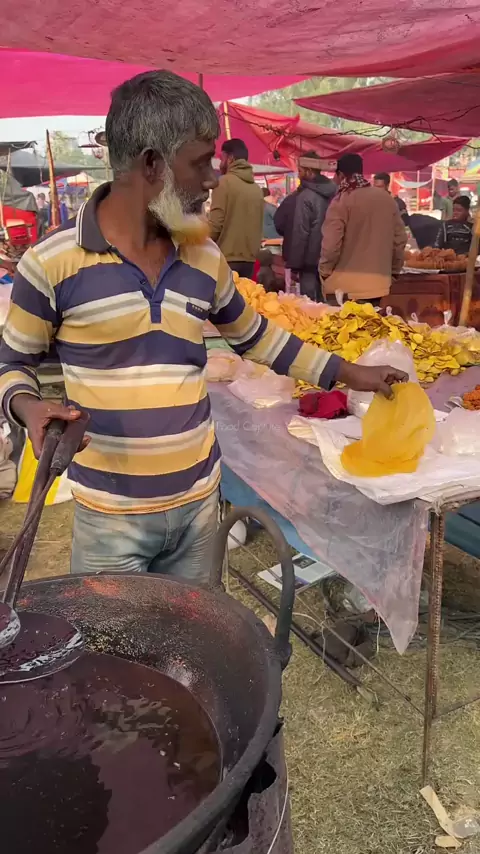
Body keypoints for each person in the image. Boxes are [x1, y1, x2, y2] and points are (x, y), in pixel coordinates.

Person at [0, 70, 407, 583]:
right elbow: (12, 364)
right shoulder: (51, 263)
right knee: (116, 637)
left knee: (195, 635)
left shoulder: (203, 256)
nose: (213, 179)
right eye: (200, 163)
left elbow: (259, 338)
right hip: (110, 518)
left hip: (198, 506)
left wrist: (351, 373)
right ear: (152, 164)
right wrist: (28, 406)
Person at [320, 153, 407, 305]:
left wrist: (324, 272)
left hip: (344, 288)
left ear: (340, 175)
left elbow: (331, 245)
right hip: (379, 285)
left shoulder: (341, 202)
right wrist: (393, 271)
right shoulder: (386, 199)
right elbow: (399, 240)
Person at [274, 152, 336, 301]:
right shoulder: (336, 193)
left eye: (300, 171)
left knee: (309, 305)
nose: (298, 175)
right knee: (326, 304)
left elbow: (300, 232)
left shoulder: (305, 197)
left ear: (308, 172)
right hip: (330, 258)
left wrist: (295, 266)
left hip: (308, 262)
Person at [208, 138, 263, 279]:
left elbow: (215, 225)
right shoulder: (256, 189)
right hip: (250, 260)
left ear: (230, 158)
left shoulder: (223, 183)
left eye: (222, 158)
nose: (220, 163)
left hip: (226, 258)